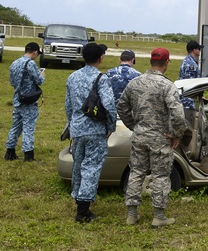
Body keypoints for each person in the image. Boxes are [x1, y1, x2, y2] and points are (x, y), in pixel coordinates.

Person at [118, 48, 188, 227]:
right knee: (161, 176)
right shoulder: (167, 86)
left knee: (136, 173)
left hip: (140, 136)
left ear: (151, 62)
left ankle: (132, 215)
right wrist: (176, 134)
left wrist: (134, 126)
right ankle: (159, 216)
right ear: (166, 63)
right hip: (160, 138)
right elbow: (178, 115)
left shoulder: (135, 83)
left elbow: (121, 107)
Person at [65, 42, 117, 222]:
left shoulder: (72, 77)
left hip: (78, 129)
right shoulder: (101, 79)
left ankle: (78, 197)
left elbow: (68, 105)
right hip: (95, 130)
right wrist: (111, 126)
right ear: (101, 58)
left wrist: (71, 125)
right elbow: (109, 105)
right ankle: (83, 209)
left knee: (78, 166)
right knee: (92, 167)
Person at [5, 42, 45, 162]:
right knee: (28, 127)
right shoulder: (30, 64)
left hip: (17, 98)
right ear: (35, 52)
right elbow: (39, 80)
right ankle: (28, 155)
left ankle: (10, 151)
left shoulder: (14, 63)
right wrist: (42, 75)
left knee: (16, 126)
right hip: (29, 100)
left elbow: (12, 82)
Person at [179, 40, 202, 124]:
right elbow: (190, 84)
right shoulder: (190, 65)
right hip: (188, 99)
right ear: (194, 50)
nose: (200, 51)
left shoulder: (187, 61)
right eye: (199, 49)